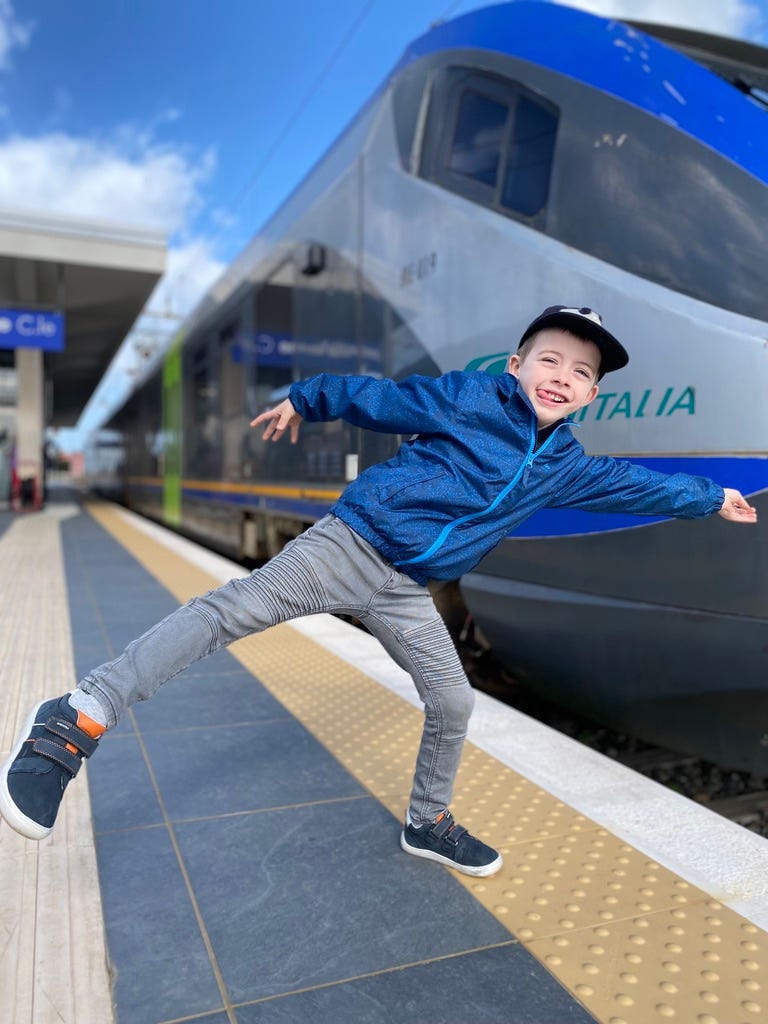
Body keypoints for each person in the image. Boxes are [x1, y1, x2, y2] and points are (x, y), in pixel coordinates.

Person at [0, 305, 757, 877]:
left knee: (454, 702)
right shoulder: (468, 400)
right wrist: (307, 398)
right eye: (550, 360)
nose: (563, 376)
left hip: (406, 589)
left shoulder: (566, 465)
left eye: (581, 373)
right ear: (517, 365)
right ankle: (78, 715)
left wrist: (711, 498)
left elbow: (635, 485)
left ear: (590, 396)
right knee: (226, 614)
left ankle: (427, 822)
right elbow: (381, 397)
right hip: (350, 544)